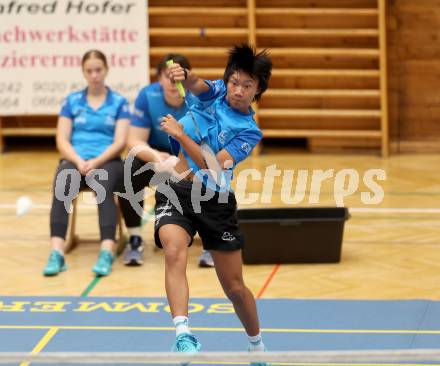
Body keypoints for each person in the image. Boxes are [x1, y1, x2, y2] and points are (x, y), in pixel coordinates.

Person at [158, 43, 272, 364]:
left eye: (247, 86)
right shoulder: (219, 91)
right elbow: (198, 84)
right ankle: (183, 334)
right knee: (173, 250)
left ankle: (257, 346)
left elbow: (209, 164)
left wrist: (181, 135)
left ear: (258, 90)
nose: (237, 90)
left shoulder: (249, 132)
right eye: (234, 82)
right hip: (177, 189)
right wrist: (184, 73)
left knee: (235, 287)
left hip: (215, 201)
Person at [119, 53, 214, 267]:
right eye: (166, 76)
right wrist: (156, 158)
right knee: (128, 168)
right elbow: (134, 140)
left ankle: (211, 242)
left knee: (210, 175)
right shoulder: (147, 96)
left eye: (177, 76)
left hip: (191, 156)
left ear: (186, 78)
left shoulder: (199, 101)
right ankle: (134, 240)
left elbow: (207, 148)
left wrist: (181, 162)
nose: (172, 82)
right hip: (156, 155)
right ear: (159, 78)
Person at [43, 50, 130, 277]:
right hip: (76, 160)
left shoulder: (119, 102)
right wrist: (78, 160)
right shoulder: (72, 101)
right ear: (83, 72)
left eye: (98, 70)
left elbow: (120, 142)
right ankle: (57, 253)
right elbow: (61, 139)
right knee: (63, 182)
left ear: (106, 70)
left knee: (103, 186)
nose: (94, 75)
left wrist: (97, 161)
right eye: (89, 71)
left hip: (107, 161)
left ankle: (106, 251)